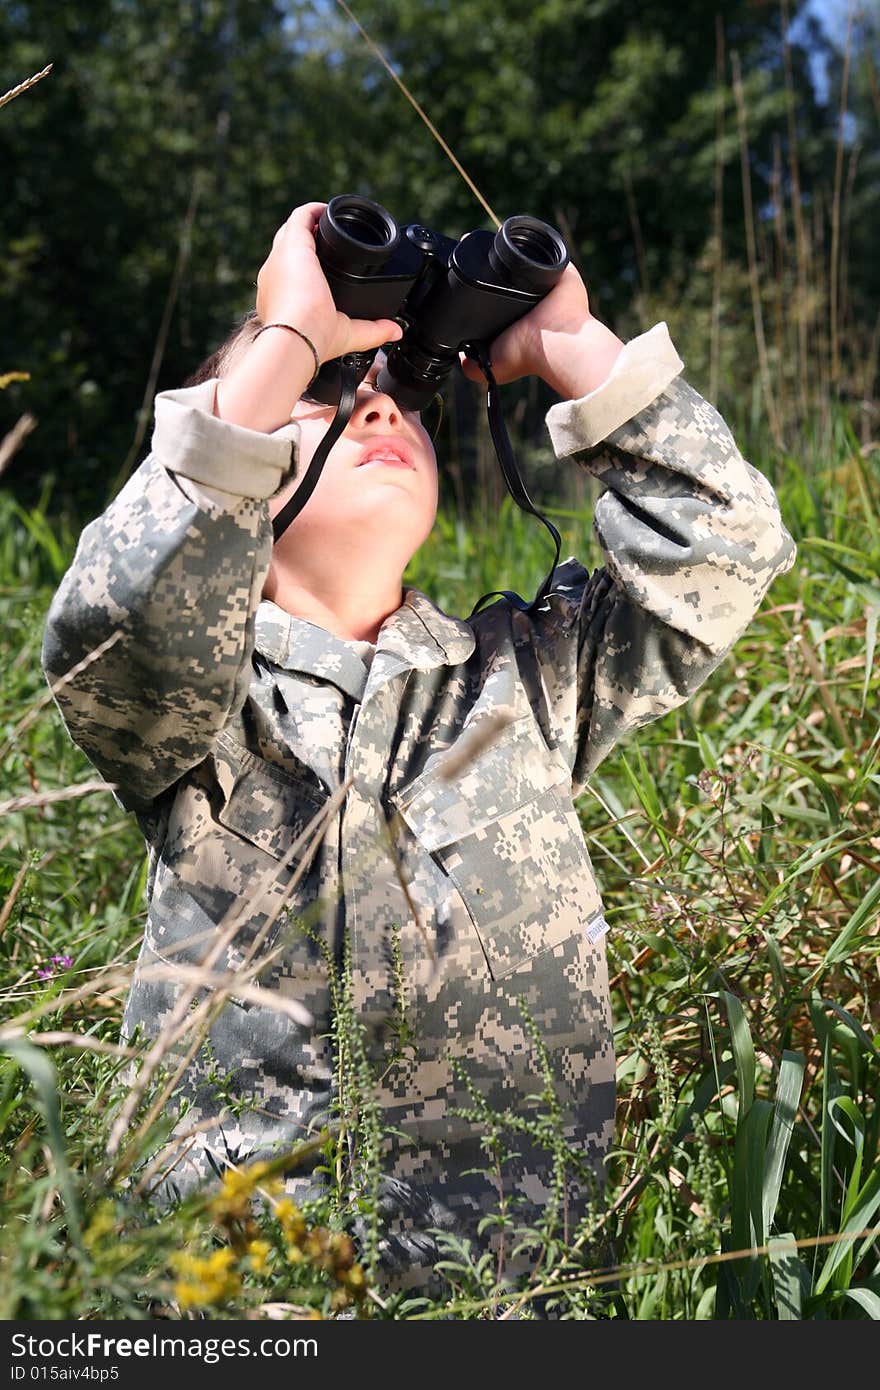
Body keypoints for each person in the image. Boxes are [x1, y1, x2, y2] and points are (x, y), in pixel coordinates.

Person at [42, 200, 796, 1297]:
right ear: (238, 458)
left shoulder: (526, 679)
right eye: (327, 399)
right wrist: (285, 339)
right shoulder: (201, 702)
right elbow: (113, 618)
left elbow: (726, 545)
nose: (375, 408)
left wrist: (567, 348)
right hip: (241, 1291)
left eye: (399, 393)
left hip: (499, 1292)